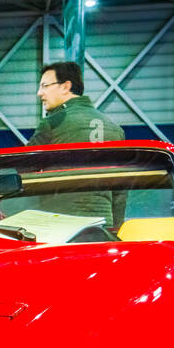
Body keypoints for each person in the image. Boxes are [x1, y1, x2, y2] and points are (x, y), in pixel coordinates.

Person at [27, 61, 126, 229]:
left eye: (45, 86)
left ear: (65, 87)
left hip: (60, 225)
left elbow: (23, 168)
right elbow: (121, 188)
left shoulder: (53, 123)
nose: (39, 93)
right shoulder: (115, 129)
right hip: (103, 225)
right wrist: (116, 227)